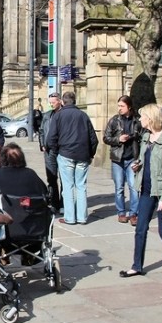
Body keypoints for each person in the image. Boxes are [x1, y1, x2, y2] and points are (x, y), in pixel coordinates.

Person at [119, 104, 162, 280]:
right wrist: (138, 166)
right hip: (146, 190)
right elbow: (144, 161)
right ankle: (137, 266)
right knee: (140, 228)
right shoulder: (146, 137)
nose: (140, 119)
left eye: (142, 117)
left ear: (150, 119)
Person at [47, 91, 98, 225]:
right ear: (74, 101)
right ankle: (82, 217)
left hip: (65, 154)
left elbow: (50, 138)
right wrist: (91, 154)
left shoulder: (59, 116)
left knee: (68, 186)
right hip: (83, 155)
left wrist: (57, 151)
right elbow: (94, 139)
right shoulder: (84, 115)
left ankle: (70, 217)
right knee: (81, 186)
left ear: (63, 102)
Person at [103, 95, 142, 225]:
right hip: (117, 158)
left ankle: (133, 214)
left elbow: (141, 139)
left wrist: (139, 158)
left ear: (129, 106)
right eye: (118, 106)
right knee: (119, 187)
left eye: (122, 106)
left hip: (132, 158)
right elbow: (106, 138)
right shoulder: (114, 120)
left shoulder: (137, 121)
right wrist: (118, 140)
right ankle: (121, 213)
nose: (119, 108)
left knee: (134, 187)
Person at [39, 93, 63, 212]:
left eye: (53, 102)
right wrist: (42, 144)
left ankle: (63, 203)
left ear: (60, 101)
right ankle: (54, 203)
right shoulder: (47, 115)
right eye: (50, 102)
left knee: (64, 178)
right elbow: (42, 130)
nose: (51, 104)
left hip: (63, 150)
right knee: (51, 178)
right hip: (49, 150)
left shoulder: (64, 114)